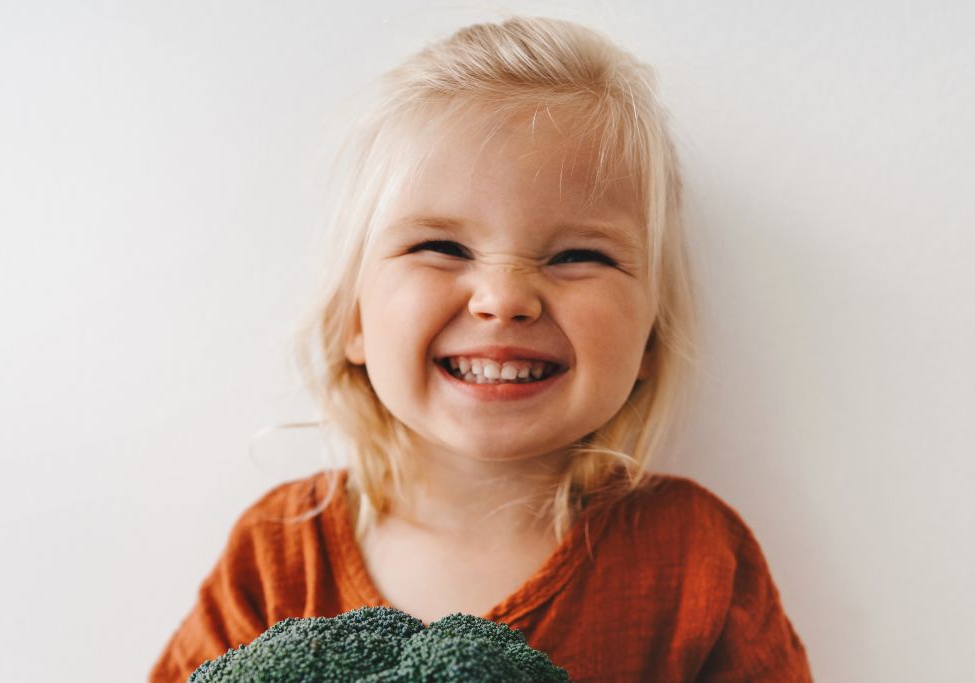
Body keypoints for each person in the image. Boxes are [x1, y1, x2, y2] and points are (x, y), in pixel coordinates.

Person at [150, 16, 812, 682]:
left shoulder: (694, 558)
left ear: (650, 338)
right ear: (353, 316)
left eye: (578, 255)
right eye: (442, 247)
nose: (504, 297)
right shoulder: (278, 552)